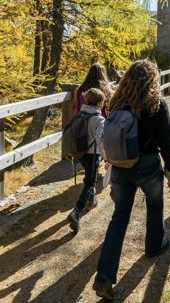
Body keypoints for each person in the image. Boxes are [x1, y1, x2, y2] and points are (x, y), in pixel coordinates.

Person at [92, 60, 170, 299]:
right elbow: (166, 140)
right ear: (153, 80)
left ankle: (104, 276)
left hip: (121, 165)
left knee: (119, 217)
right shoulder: (157, 105)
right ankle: (154, 246)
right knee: (155, 205)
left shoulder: (117, 102)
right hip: (148, 165)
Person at [67, 88, 106, 232]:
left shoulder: (79, 115)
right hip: (93, 154)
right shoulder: (99, 120)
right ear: (100, 103)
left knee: (88, 179)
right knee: (90, 182)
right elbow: (101, 141)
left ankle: (92, 200)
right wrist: (108, 159)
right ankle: (76, 212)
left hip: (80, 154)